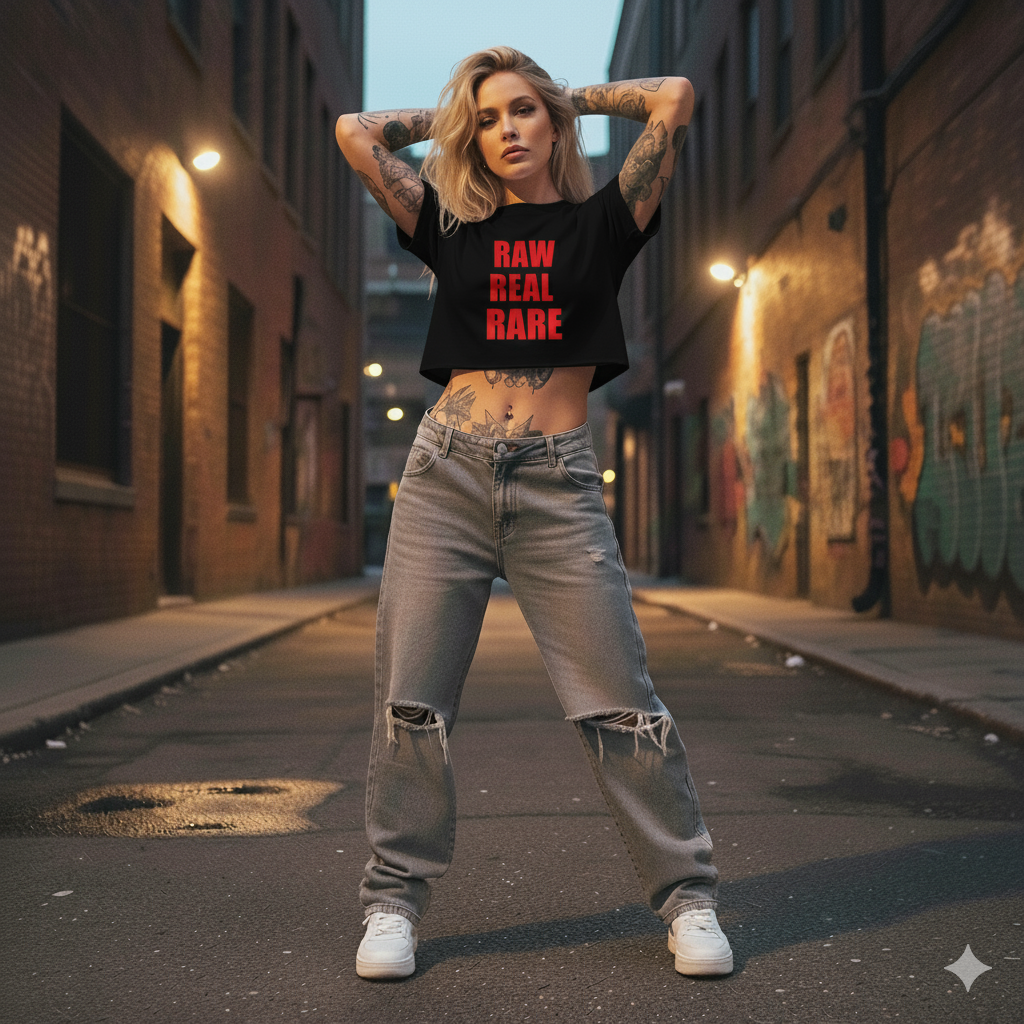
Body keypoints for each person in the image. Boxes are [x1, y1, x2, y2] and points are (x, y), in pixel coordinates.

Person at [335, 46, 732, 981]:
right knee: (411, 706)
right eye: (487, 119)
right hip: (446, 479)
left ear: (555, 122)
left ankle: (689, 899)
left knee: (621, 707)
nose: (505, 129)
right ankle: (393, 902)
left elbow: (673, 97)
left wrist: (566, 93)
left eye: (523, 112)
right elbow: (354, 134)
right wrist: (449, 118)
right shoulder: (449, 230)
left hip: (558, 485)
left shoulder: (604, 223)